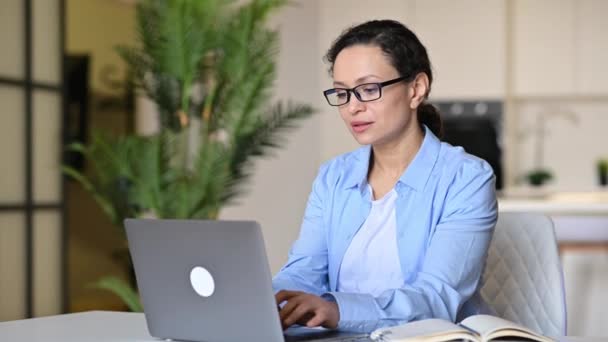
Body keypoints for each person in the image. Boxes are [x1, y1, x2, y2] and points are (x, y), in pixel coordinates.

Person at [272, 19, 498, 333]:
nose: (352, 107)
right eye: (342, 93)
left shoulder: (466, 179)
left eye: (368, 89)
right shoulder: (333, 176)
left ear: (416, 89)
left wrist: (337, 310)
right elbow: (303, 272)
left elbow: (436, 299)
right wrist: (270, 300)